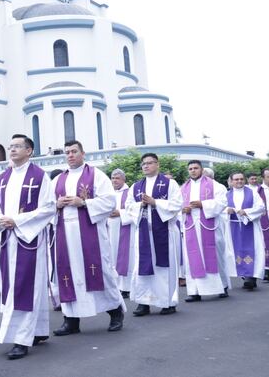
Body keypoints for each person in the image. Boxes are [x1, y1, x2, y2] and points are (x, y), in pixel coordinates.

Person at [0, 134, 55, 360]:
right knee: (15, 288)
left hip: (28, 238)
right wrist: (0, 221)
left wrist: (17, 221)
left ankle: (21, 339)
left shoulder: (40, 176)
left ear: (29, 151)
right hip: (8, 239)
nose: (12, 150)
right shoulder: (2, 178)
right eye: (11, 146)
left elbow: (48, 208)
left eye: (18, 146)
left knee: (27, 288)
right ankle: (38, 330)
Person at [50, 140, 124, 336]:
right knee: (69, 277)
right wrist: (56, 204)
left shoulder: (96, 175)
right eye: (67, 152)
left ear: (83, 153)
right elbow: (46, 206)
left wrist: (82, 202)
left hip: (91, 236)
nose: (70, 155)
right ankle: (71, 321)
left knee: (101, 272)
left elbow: (109, 202)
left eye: (74, 151)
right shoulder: (57, 181)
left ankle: (115, 311)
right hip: (65, 236)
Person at [124, 153, 183, 316]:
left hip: (164, 232)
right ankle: (144, 303)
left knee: (164, 269)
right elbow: (128, 206)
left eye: (150, 163)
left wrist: (155, 202)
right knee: (143, 267)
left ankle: (167, 302)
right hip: (143, 234)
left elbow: (177, 204)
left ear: (157, 164)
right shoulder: (135, 186)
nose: (146, 166)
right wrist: (140, 205)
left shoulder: (170, 184)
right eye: (143, 164)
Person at [179, 160, 230, 302]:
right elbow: (176, 206)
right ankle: (194, 291)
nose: (193, 171)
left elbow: (222, 202)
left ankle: (222, 287)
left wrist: (203, 204)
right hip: (190, 226)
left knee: (216, 256)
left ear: (201, 169)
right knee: (192, 259)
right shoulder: (183, 188)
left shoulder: (215, 185)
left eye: (196, 168)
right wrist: (183, 210)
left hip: (210, 226)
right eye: (190, 169)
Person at [226, 172, 266, 290]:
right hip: (233, 226)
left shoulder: (252, 193)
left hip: (250, 226)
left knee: (252, 250)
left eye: (241, 179)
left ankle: (251, 277)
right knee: (237, 251)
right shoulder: (226, 194)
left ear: (244, 180)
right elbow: (220, 208)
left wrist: (246, 212)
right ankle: (245, 276)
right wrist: (227, 210)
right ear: (231, 181)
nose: (239, 181)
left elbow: (261, 207)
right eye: (236, 179)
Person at [108, 169, 134, 298]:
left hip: (125, 229)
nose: (114, 180)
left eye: (117, 178)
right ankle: (115, 287)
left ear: (124, 179)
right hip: (109, 230)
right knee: (112, 257)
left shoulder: (130, 192)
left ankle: (126, 287)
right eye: (113, 178)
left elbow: (135, 209)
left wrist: (120, 213)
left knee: (126, 258)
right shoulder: (108, 193)